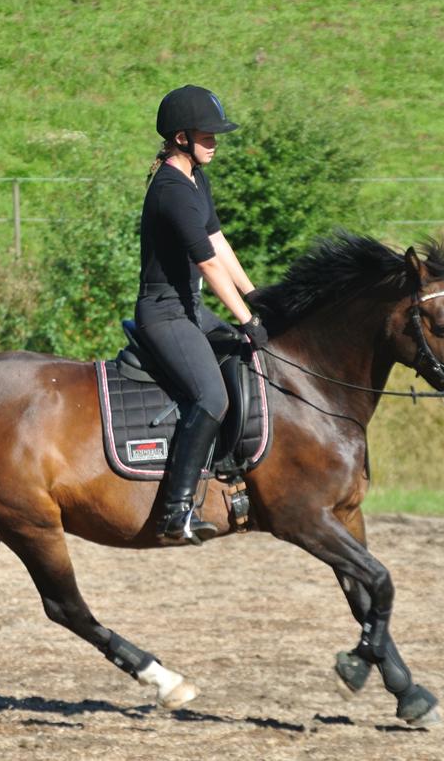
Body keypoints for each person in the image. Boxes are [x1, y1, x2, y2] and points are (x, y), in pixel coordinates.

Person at [136, 84, 268, 545]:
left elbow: (218, 243)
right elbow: (207, 263)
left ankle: (228, 465)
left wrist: (255, 296)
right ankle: (175, 511)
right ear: (179, 137)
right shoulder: (171, 188)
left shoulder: (196, 179)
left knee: (242, 357)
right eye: (206, 134)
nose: (214, 141)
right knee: (211, 396)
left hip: (190, 309)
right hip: (164, 314)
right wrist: (247, 320)